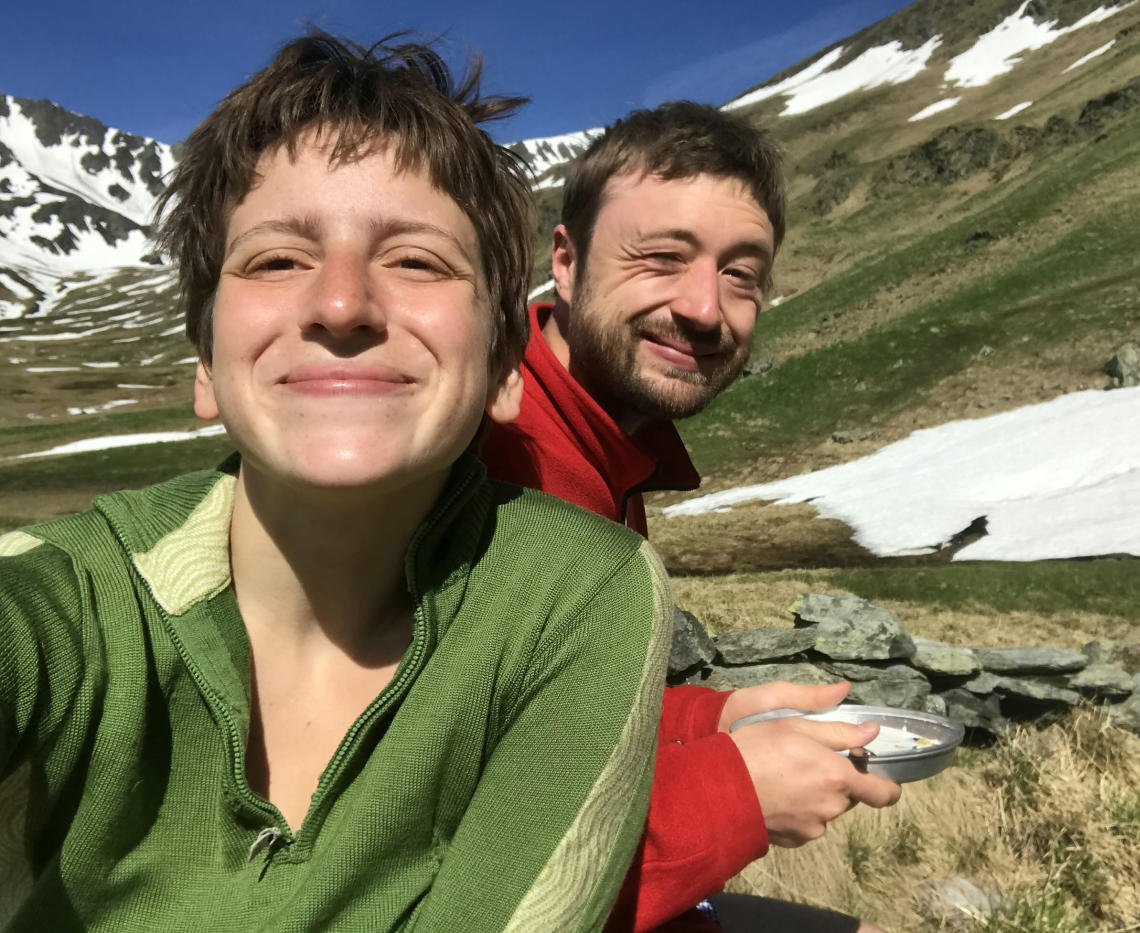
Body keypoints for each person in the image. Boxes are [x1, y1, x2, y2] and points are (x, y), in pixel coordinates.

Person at [0, 34, 672, 932]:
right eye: (276, 260)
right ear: (205, 361)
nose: (343, 303)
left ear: (508, 367)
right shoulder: (66, 593)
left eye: (418, 261)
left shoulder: (579, 594)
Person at [480, 102, 902, 932]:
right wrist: (735, 792)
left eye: (742, 274)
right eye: (663, 256)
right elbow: (465, 847)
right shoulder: (484, 459)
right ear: (564, 262)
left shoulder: (607, 450)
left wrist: (718, 718)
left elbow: (560, 726)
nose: (706, 309)